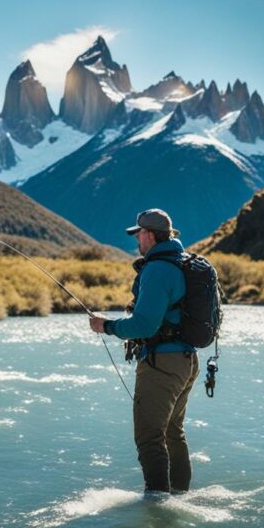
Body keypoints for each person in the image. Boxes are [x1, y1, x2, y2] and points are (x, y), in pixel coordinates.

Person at [89, 208, 200, 495]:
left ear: (149, 235)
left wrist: (107, 326)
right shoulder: (182, 263)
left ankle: (158, 507)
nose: (136, 240)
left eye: (138, 234)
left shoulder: (157, 269)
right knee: (173, 433)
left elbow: (145, 325)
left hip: (162, 363)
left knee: (149, 437)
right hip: (187, 361)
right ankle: (179, 498)